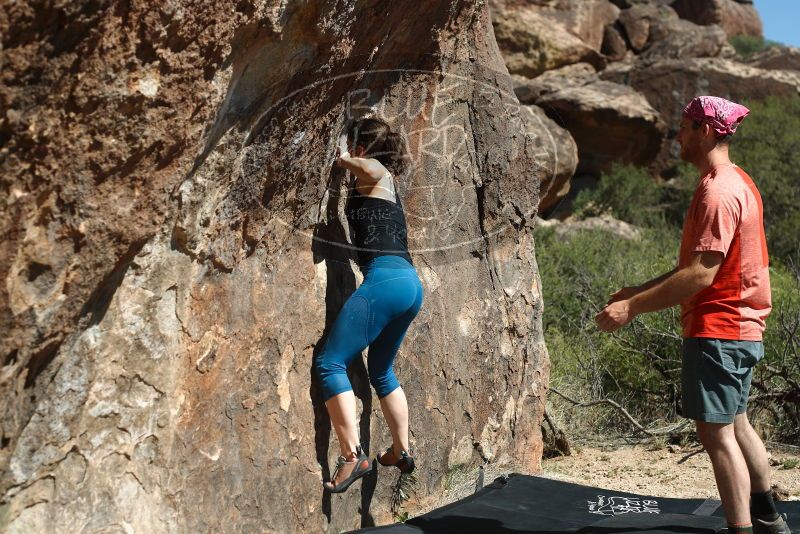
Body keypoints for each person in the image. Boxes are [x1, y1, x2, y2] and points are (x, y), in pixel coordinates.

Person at [595, 96, 790, 534]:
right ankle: (771, 522)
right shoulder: (739, 181)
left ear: (705, 130)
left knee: (717, 436)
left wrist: (631, 307)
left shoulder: (717, 191)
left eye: (683, 127)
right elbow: (701, 264)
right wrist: (639, 289)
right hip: (740, 328)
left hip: (718, 329)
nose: (677, 137)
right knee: (737, 424)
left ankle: (742, 528)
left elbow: (701, 276)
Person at [315, 118, 423, 493]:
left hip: (386, 280)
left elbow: (373, 167)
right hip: (409, 284)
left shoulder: (378, 173)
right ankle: (401, 450)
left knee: (330, 362)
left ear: (362, 147)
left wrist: (342, 157)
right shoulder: (386, 187)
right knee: (381, 371)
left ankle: (351, 456)